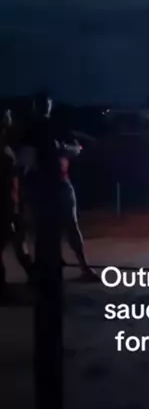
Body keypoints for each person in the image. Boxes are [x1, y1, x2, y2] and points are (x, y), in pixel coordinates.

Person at [21, 93, 98, 281]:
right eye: (40, 104)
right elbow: (24, 159)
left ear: (50, 105)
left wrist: (62, 148)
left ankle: (83, 266)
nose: (43, 107)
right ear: (35, 107)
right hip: (40, 186)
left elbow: (77, 148)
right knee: (41, 228)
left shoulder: (58, 127)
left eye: (46, 103)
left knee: (70, 224)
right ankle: (44, 267)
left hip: (60, 183)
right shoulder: (29, 131)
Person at [0, 107, 33, 295]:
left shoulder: (7, 148)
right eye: (8, 116)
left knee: (19, 244)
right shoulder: (6, 150)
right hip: (8, 203)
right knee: (19, 244)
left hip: (10, 203)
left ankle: (33, 278)